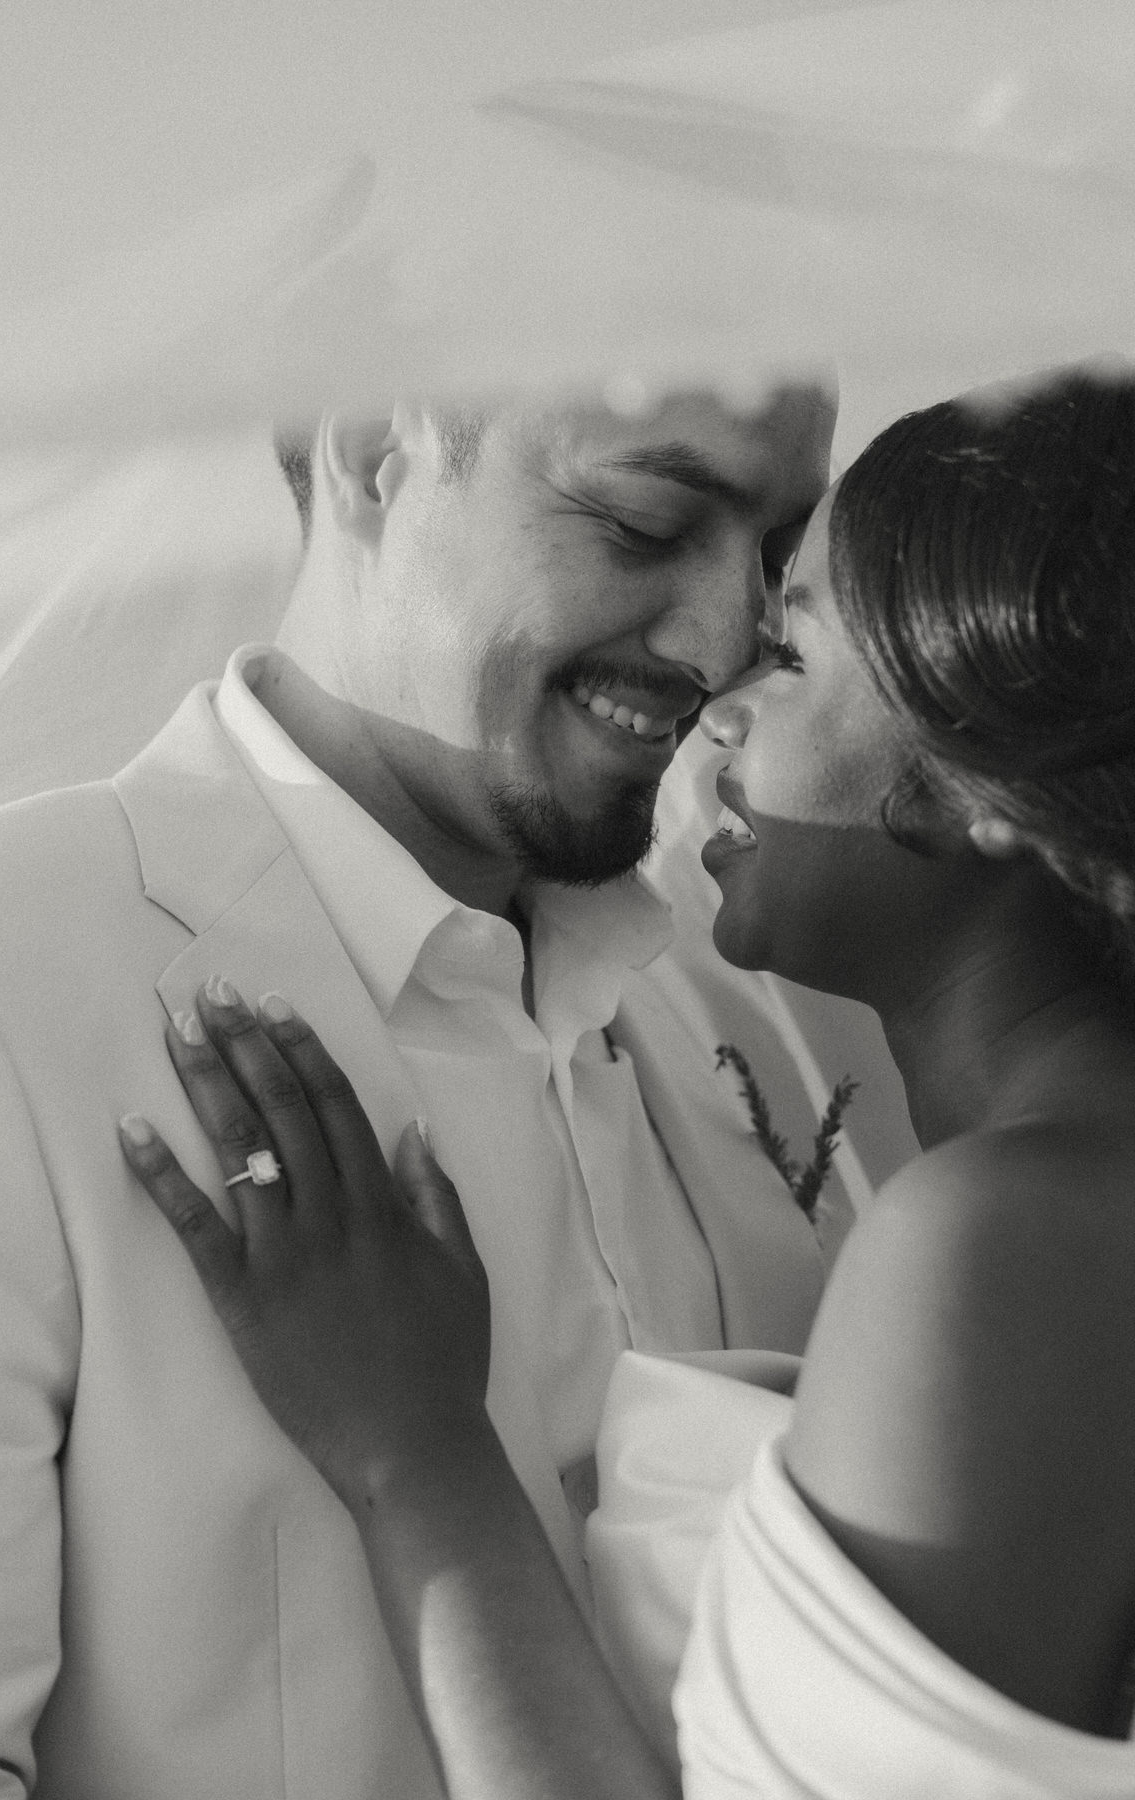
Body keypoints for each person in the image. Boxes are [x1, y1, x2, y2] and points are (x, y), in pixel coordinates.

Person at [122, 364, 1135, 1797]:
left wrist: (418, 1456)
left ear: (979, 782)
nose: (720, 670)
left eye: (791, 649)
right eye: (651, 523)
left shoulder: (1008, 1237)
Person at [0, 381, 838, 1797]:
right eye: (645, 518)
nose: (730, 635)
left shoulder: (781, 993)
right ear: (372, 446)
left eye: (780, 548)